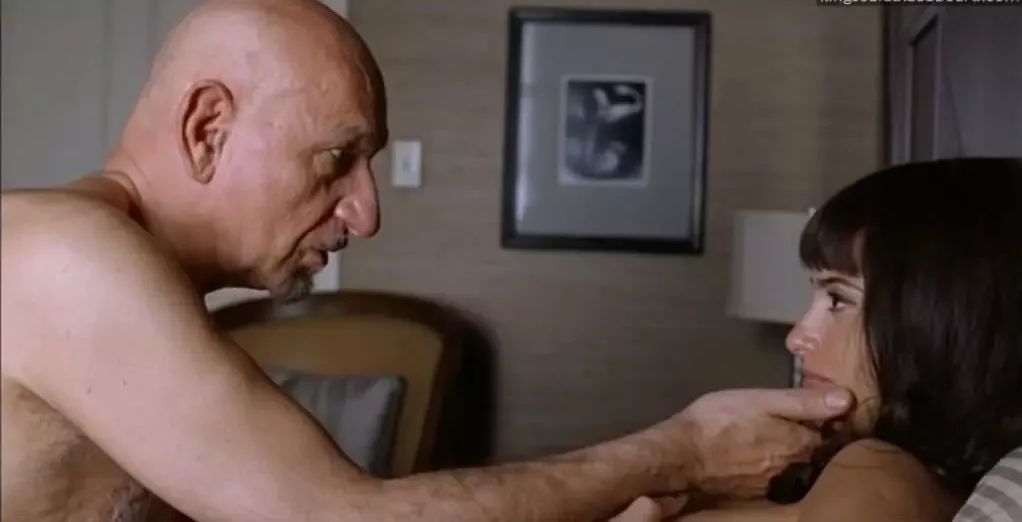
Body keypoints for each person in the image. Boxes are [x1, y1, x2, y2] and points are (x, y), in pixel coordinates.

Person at [0, 1, 852, 520]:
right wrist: (685, 450)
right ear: (207, 130)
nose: (366, 213)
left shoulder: (121, 290)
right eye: (336, 159)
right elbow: (341, 518)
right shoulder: (67, 255)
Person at [661, 158, 1022, 521]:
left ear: (940, 320)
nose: (796, 339)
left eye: (837, 299)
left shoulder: (880, 472)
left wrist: (688, 456)